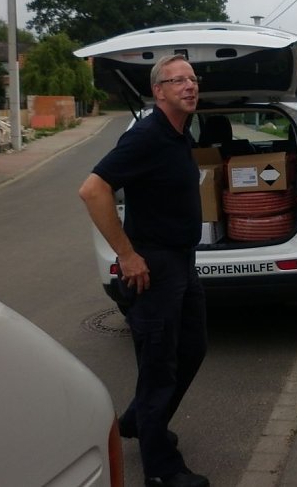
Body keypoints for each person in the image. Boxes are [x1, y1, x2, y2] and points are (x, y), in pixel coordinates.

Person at [79, 54, 209, 487]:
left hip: (182, 263)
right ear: (158, 92)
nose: (190, 86)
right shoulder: (147, 136)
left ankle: (139, 419)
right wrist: (127, 255)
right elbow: (92, 190)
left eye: (192, 79)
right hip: (154, 269)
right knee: (158, 367)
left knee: (192, 347)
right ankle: (161, 469)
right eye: (178, 81)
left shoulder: (179, 133)